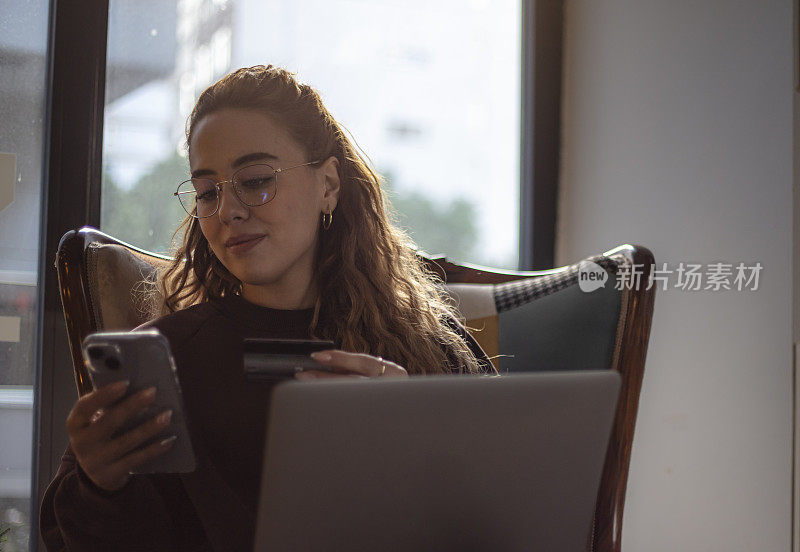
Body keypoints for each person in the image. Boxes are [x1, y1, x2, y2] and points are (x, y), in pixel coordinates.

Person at [40, 65, 495, 551]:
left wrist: (423, 437)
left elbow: (509, 508)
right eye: (208, 192)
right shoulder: (167, 361)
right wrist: (96, 484)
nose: (228, 211)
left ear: (328, 186)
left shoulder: (426, 347)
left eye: (255, 180)